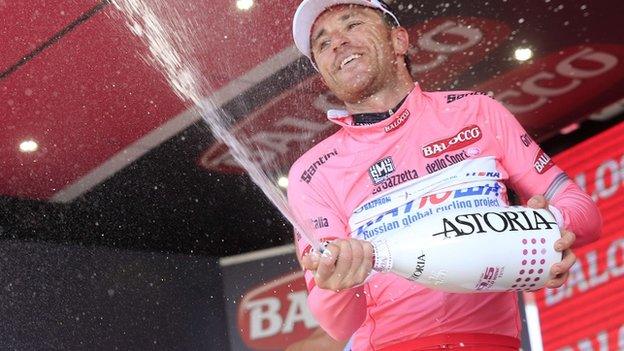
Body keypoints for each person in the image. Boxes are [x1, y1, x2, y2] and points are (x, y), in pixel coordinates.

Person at [286, 0, 602, 350]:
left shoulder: (477, 112)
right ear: (323, 75)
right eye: (322, 43)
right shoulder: (311, 173)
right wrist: (338, 280)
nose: (337, 42)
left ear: (399, 41)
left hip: (492, 342)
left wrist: (546, 231)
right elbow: (338, 323)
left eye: (352, 24)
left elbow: (584, 213)